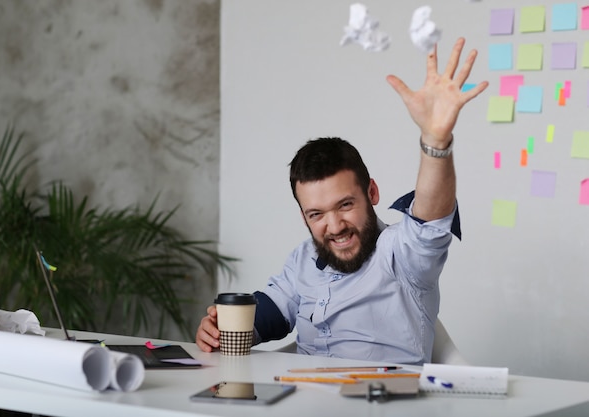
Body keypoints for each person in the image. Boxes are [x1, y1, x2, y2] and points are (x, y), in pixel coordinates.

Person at [196, 37, 488, 365]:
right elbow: (270, 315)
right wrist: (220, 331)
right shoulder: (303, 259)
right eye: (316, 214)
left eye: (345, 205)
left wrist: (436, 140)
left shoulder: (402, 255)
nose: (334, 227)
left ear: (372, 193)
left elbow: (431, 219)